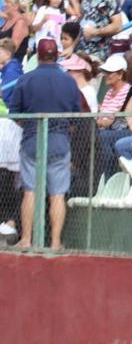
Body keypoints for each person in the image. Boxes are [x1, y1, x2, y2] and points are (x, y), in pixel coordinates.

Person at [9, 38, 82, 249]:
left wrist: (29, 125)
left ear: (38, 56)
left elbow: (15, 113)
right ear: (57, 55)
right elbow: (76, 116)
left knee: (30, 191)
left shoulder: (26, 79)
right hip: (59, 140)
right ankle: (56, 242)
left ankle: (26, 239)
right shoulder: (68, 81)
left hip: (32, 138)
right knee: (57, 194)